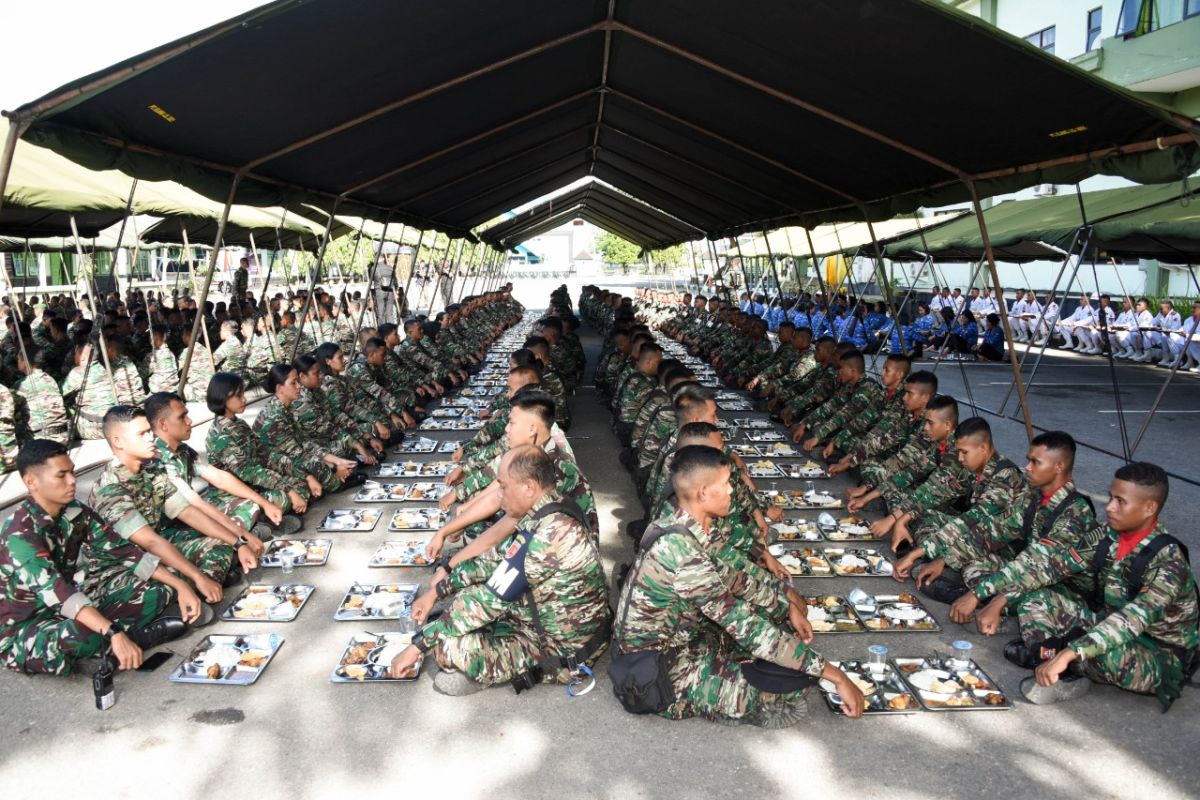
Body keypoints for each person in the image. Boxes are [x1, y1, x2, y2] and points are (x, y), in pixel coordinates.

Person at [611, 445, 865, 726]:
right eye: (725, 484)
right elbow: (744, 623)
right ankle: (709, 695)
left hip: (679, 638)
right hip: (657, 674)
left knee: (774, 629)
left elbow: (736, 578)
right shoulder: (680, 550)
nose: (732, 491)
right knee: (791, 689)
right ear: (703, 492)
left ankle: (726, 667)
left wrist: (784, 607)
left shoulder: (684, 523)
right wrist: (835, 676)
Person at [961, 463, 1198, 709]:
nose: (1110, 507)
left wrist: (1070, 652)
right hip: (1108, 623)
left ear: (1150, 508)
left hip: (1156, 654)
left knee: (1105, 656)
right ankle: (1049, 660)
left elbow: (1130, 621)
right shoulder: (1109, 535)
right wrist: (995, 600)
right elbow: (1052, 567)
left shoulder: (1170, 564)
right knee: (1037, 598)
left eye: (1120, 501)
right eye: (1110, 497)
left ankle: (1061, 665)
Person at [387, 446, 610, 694]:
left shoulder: (550, 535)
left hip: (560, 648)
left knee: (447, 646)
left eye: (504, 487)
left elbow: (486, 602)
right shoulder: (550, 507)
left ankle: (485, 673)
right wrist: (438, 591)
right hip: (547, 621)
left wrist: (418, 645)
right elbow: (493, 559)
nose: (500, 496)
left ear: (528, 487)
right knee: (458, 607)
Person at [0, 440, 201, 675]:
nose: (73, 480)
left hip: (72, 604)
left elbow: (127, 553)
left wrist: (179, 584)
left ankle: (110, 646)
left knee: (162, 586)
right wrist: (112, 631)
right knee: (81, 634)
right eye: (61, 475)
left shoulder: (73, 511)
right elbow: (60, 594)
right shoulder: (19, 535)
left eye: (72, 472)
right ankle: (126, 639)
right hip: (26, 629)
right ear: (31, 482)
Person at [89, 405, 249, 592]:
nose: (151, 438)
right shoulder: (109, 489)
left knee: (222, 544)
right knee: (158, 591)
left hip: (152, 551)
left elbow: (187, 512)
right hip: (124, 566)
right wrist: (196, 575)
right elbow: (149, 542)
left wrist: (239, 541)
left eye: (149, 431)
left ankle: (201, 584)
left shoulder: (150, 469)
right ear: (118, 441)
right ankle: (194, 586)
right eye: (142, 434)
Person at [891, 417, 1031, 604]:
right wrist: (901, 518)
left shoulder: (1005, 478)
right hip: (977, 535)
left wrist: (915, 554)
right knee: (925, 517)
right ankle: (939, 563)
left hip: (1000, 547)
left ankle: (975, 597)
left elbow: (971, 522)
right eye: (958, 452)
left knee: (972, 566)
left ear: (983, 448)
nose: (960, 458)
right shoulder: (978, 468)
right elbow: (939, 490)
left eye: (964, 452)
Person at [145, 391, 293, 538]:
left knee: (258, 503)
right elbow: (195, 506)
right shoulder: (158, 460)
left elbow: (220, 478)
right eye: (182, 417)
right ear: (163, 424)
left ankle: (252, 528)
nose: (189, 420)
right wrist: (239, 536)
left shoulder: (182, 450)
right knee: (219, 545)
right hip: (174, 528)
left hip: (194, 513)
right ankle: (245, 535)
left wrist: (264, 504)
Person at [205, 372, 319, 517]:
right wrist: (287, 489)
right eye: (238, 396)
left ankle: (278, 514)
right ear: (223, 398)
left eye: (242, 394)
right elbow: (249, 471)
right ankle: (266, 520)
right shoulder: (220, 435)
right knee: (282, 498)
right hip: (231, 495)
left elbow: (267, 456)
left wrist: (305, 475)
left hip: (254, 483)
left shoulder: (239, 424)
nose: (244, 399)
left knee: (301, 484)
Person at [253, 363, 364, 492]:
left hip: (291, 455)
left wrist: (337, 461)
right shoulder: (273, 417)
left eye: (298, 382)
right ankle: (335, 483)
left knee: (326, 454)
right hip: (277, 464)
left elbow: (305, 443)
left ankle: (335, 474)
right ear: (279, 388)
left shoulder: (289, 407)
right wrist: (333, 467)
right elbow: (297, 455)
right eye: (293, 383)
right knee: (314, 468)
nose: (299, 386)